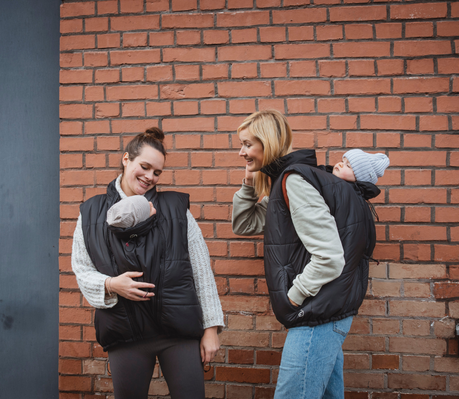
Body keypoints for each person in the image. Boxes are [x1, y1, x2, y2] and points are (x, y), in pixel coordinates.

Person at [231, 110, 386, 399]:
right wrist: (249, 186)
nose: (242, 152)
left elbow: (329, 257)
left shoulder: (294, 182)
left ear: (267, 142)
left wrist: (293, 296)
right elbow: (244, 224)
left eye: (247, 144)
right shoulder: (287, 182)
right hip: (328, 309)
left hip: (317, 312)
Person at [72, 127, 224, 399]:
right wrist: (111, 284)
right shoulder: (91, 213)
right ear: (126, 159)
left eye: (157, 172)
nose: (150, 177)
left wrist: (211, 329)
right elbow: (82, 270)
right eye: (144, 167)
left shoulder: (175, 209)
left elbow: (201, 270)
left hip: (177, 332)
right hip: (125, 331)